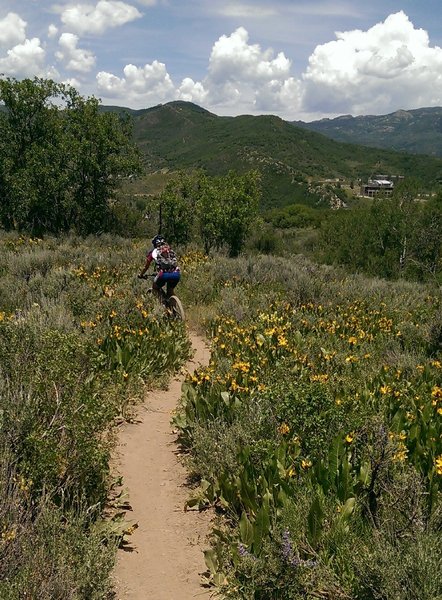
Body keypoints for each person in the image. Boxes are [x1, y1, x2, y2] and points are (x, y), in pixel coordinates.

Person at [138, 234, 180, 300]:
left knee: (155, 288)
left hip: (163, 274)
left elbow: (146, 267)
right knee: (170, 291)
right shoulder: (169, 249)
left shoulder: (153, 252)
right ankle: (176, 306)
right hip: (176, 274)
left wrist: (141, 274)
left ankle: (164, 305)